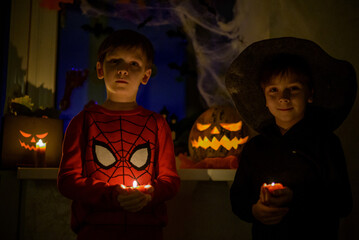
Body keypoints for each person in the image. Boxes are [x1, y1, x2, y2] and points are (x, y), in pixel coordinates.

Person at [225, 37, 355, 240]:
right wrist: (254, 211)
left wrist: (296, 198)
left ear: (309, 94)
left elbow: (342, 203)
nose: (283, 97)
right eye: (273, 90)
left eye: (293, 88)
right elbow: (238, 199)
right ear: (265, 99)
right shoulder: (255, 148)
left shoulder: (326, 143)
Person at [57, 29, 180, 240]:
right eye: (115, 61)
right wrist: (112, 195)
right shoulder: (83, 121)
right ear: (100, 69)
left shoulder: (157, 124)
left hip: (147, 230)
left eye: (134, 64)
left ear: (146, 75)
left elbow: (170, 180)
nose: (123, 70)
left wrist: (148, 195)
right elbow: (68, 180)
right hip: (94, 230)